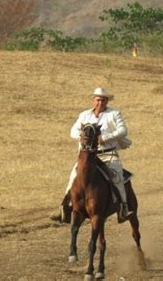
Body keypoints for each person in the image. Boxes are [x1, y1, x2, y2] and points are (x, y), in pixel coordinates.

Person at [50, 87, 133, 222]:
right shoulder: (84, 115)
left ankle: (123, 208)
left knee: (117, 178)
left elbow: (123, 131)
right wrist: (84, 138)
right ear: (93, 100)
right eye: (98, 100)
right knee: (72, 179)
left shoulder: (114, 113)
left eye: (103, 100)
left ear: (107, 101)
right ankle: (64, 209)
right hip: (87, 157)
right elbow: (73, 131)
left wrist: (103, 138)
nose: (101, 103)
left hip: (107, 155)